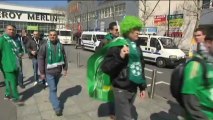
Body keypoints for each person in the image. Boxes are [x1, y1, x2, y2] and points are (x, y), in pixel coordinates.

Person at [101, 16, 147, 120]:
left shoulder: (137, 47)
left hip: (133, 88)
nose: (137, 32)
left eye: (138, 29)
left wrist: (142, 86)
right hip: (121, 88)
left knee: (121, 116)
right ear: (127, 30)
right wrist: (120, 57)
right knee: (125, 117)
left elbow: (141, 66)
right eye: (134, 30)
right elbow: (105, 67)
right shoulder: (117, 45)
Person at [181, 35, 213, 119]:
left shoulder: (209, 62)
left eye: (199, 35)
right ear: (209, 43)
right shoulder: (196, 64)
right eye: (196, 35)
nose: (197, 38)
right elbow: (189, 97)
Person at [38, 30, 68, 116]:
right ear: (48, 36)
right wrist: (42, 72)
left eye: (54, 35)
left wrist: (65, 69)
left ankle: (51, 97)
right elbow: (40, 59)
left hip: (58, 72)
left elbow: (64, 57)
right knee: (54, 89)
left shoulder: (61, 46)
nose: (52, 36)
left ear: (57, 36)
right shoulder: (44, 46)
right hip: (49, 72)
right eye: (50, 35)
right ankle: (57, 108)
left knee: (53, 88)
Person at [0, 25, 24, 105]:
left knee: (9, 81)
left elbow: (21, 50)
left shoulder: (16, 39)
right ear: (6, 30)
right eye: (9, 29)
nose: (11, 31)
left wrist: (21, 53)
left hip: (17, 65)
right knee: (13, 83)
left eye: (13, 30)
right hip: (7, 65)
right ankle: (16, 98)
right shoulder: (2, 39)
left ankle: (7, 94)